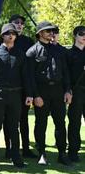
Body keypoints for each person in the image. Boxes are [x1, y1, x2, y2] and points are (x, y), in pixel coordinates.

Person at [0, 24, 31, 169]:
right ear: (2, 35)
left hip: (16, 95)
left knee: (13, 127)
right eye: (8, 33)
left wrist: (29, 94)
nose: (11, 36)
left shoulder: (21, 54)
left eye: (13, 34)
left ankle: (16, 157)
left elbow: (26, 76)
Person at [26, 21, 72, 165]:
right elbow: (30, 77)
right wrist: (36, 95)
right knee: (41, 124)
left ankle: (62, 153)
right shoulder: (32, 51)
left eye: (52, 31)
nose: (51, 33)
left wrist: (68, 90)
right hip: (42, 91)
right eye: (48, 31)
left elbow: (65, 72)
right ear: (40, 34)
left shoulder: (59, 50)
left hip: (58, 90)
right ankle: (42, 153)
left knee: (60, 123)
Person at [6, 14, 37, 159]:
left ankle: (25, 148)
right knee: (8, 120)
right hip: (8, 88)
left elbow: (31, 66)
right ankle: (9, 149)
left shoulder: (28, 42)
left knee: (23, 120)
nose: (19, 25)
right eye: (16, 22)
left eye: (21, 23)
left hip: (24, 87)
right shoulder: (4, 41)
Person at [66, 25, 85, 162]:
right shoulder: (69, 54)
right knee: (74, 122)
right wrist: (68, 90)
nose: (84, 35)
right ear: (75, 36)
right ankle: (73, 151)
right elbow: (66, 75)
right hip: (76, 91)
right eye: (81, 33)